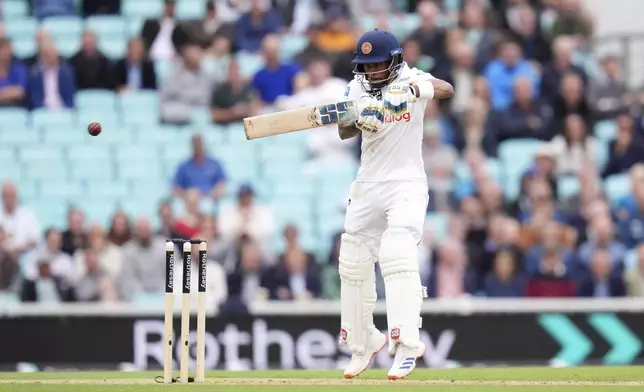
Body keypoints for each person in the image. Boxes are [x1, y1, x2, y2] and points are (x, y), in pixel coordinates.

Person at [336, 29, 453, 380]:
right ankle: (363, 341)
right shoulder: (356, 88)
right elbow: (342, 130)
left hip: (406, 182)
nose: (372, 72)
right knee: (352, 259)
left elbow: (447, 89)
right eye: (366, 67)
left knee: (397, 252)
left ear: (394, 61)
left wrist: (416, 89)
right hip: (368, 184)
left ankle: (407, 344)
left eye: (378, 65)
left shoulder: (410, 77)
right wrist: (358, 118)